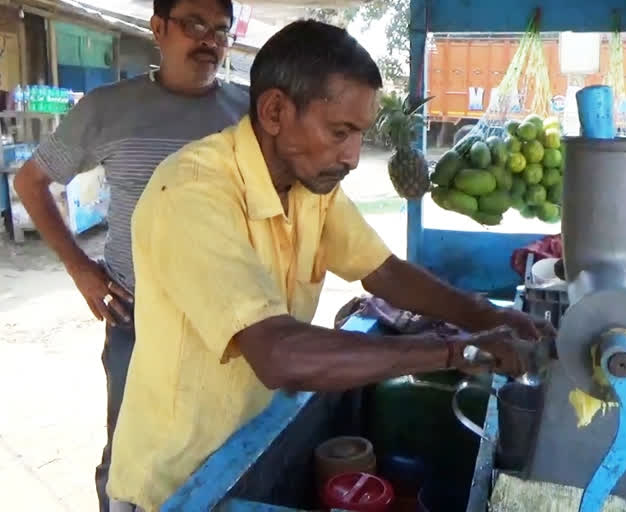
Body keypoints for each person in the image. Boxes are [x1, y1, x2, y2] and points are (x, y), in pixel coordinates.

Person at [108, 20, 553, 512]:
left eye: (360, 134)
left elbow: (381, 271)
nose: (353, 157)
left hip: (250, 443)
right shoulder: (191, 193)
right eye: (340, 132)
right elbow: (278, 354)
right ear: (275, 111)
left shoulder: (310, 186)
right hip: (176, 483)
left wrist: (491, 317)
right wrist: (455, 352)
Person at [12, 0, 249, 510]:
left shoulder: (249, 114)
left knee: (224, 449)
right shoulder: (107, 108)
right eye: (194, 25)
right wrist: (81, 270)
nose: (209, 40)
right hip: (136, 317)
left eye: (220, 30)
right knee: (127, 454)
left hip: (230, 322)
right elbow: (31, 182)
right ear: (159, 29)